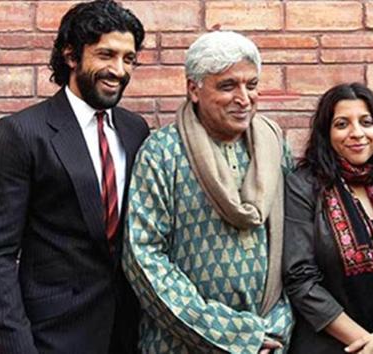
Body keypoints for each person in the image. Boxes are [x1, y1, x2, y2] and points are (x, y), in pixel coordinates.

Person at [0, 1, 149, 353]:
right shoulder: (21, 133)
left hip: (127, 334)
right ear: (71, 56)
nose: (119, 70)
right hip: (53, 336)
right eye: (106, 55)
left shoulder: (135, 130)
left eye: (128, 58)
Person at [122, 31, 294, 353]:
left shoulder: (275, 147)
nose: (244, 98)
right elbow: (143, 260)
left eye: (252, 85)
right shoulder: (162, 153)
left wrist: (277, 326)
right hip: (180, 345)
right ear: (194, 89)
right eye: (228, 86)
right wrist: (229, 335)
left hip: (270, 341)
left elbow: (296, 245)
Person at [283, 83, 373, 354]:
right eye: (342, 124)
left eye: (366, 122)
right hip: (332, 345)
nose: (357, 133)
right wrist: (368, 345)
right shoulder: (304, 187)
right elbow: (300, 278)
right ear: (326, 133)